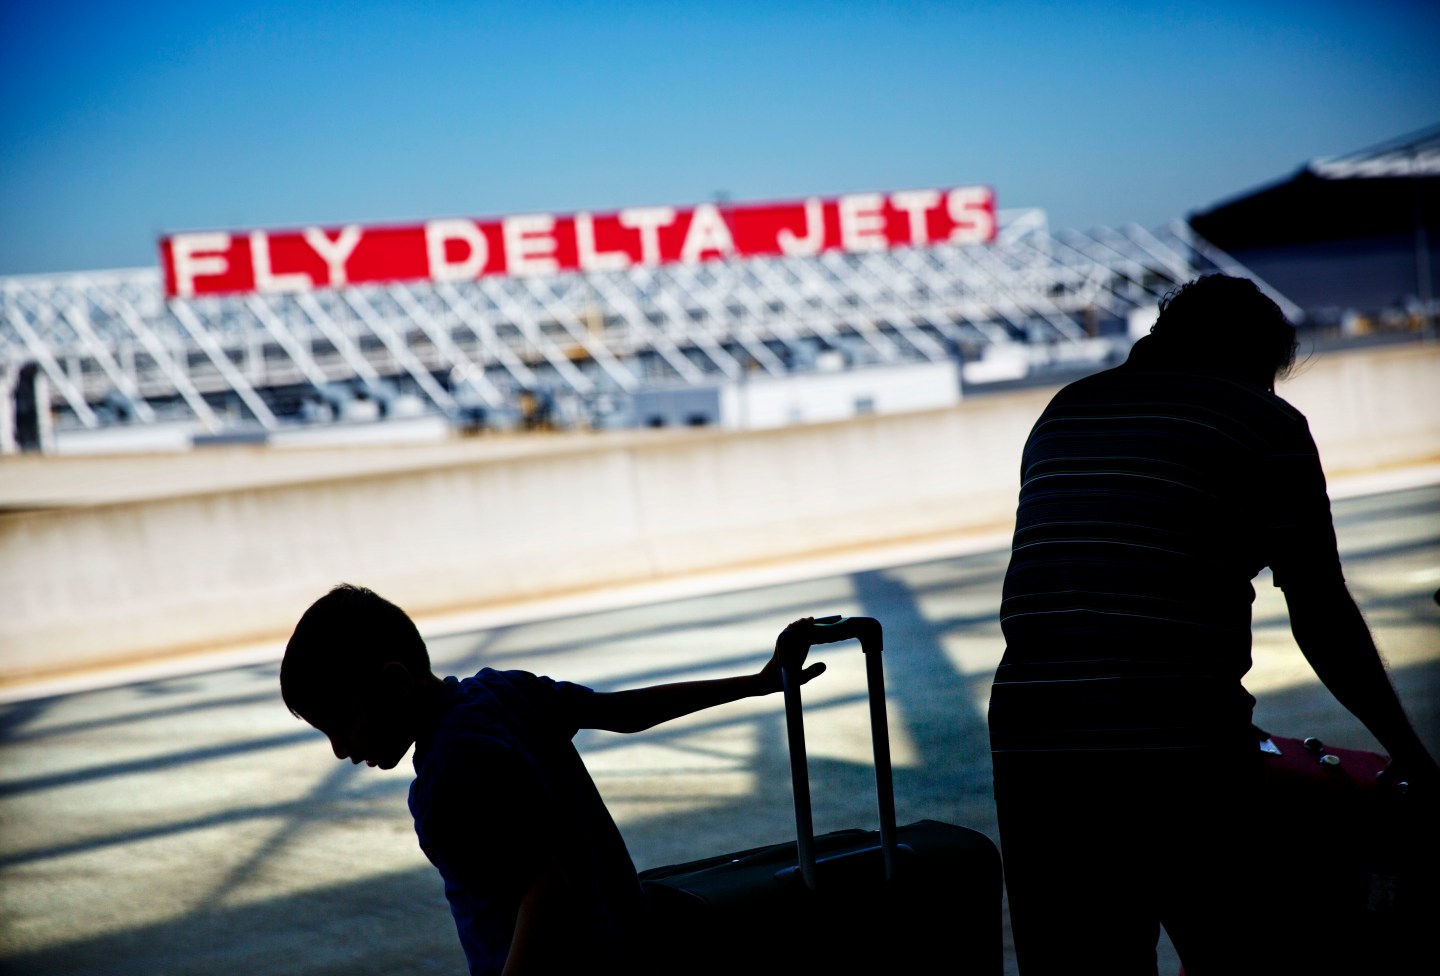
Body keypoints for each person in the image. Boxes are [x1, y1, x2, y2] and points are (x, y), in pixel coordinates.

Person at [987, 274, 1439, 975]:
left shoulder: (1068, 408)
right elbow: (1320, 611)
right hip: (1176, 739)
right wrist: (1411, 756)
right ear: (1251, 358)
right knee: (1238, 948)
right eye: (1269, 374)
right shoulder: (1265, 422)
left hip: (1031, 739)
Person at [280, 584, 826, 976]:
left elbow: (546, 890)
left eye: (341, 724)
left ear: (394, 685)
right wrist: (757, 684)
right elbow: (623, 712)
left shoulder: (447, 779)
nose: (341, 749)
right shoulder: (504, 691)